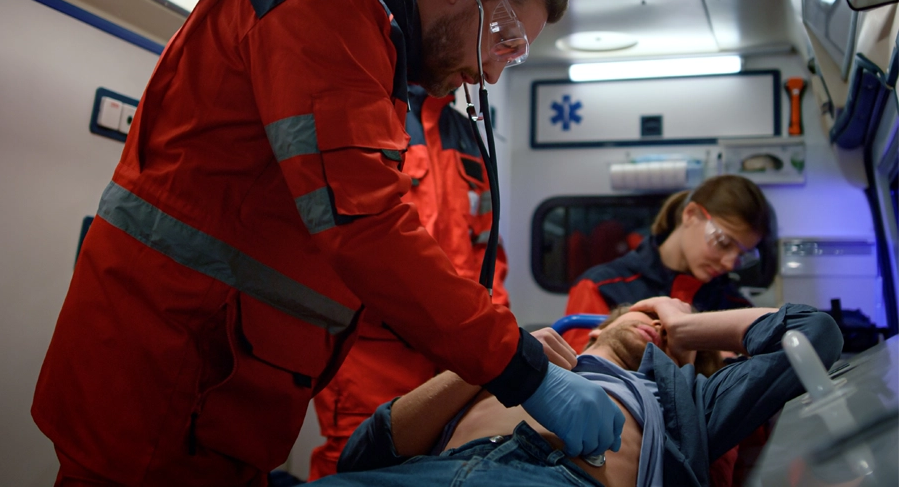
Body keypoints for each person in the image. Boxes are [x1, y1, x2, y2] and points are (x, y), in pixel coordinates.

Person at [31, 0, 628, 487]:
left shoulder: (370, 50)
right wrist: (521, 372)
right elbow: (365, 224)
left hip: (212, 380)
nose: (494, 73)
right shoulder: (328, 5)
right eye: (503, 37)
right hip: (164, 374)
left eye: (513, 55)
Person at [309, 297, 842, 487]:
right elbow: (361, 457)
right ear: (598, 327)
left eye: (667, 323)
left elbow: (813, 333)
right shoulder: (511, 360)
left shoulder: (685, 401)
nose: (656, 322)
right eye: (646, 311)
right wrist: (500, 361)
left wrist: (687, 331)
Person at [309, 82, 511, 479]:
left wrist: (496, 333)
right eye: (501, 39)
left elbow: (487, 248)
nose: (493, 66)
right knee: (358, 466)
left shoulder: (468, 134)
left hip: (457, 355)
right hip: (372, 351)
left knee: (445, 466)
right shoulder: (372, 109)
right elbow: (351, 237)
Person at [565, 174, 772, 351]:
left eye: (742, 256)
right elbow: (583, 379)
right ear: (690, 214)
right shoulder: (600, 287)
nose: (729, 263)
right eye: (723, 243)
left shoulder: (734, 306)